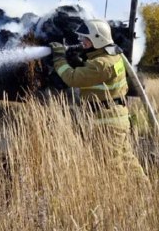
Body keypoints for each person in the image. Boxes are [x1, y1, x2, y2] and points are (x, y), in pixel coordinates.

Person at [49, 19, 146, 180]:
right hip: (116, 117)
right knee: (127, 160)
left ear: (97, 39)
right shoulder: (112, 56)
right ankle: (145, 190)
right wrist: (79, 60)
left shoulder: (101, 64)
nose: (82, 42)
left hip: (107, 122)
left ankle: (124, 198)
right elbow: (96, 73)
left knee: (112, 167)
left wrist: (59, 58)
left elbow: (72, 78)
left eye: (85, 39)